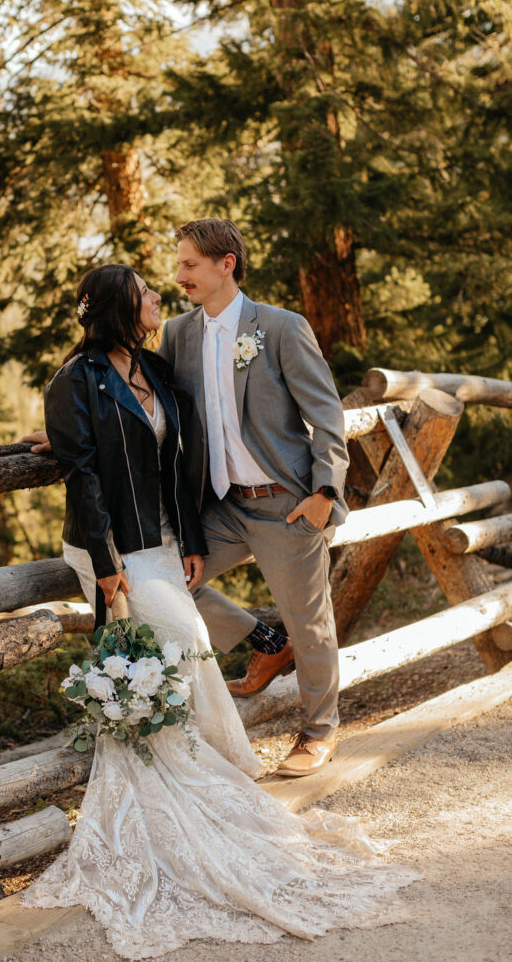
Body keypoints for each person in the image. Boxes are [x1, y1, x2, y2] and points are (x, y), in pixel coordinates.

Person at [20, 263, 415, 960]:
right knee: (184, 648)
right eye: (146, 292)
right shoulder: (74, 379)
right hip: (115, 548)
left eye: (166, 281)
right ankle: (188, 780)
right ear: (120, 306)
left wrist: (195, 540)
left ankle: (219, 761)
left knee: (189, 652)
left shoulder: (152, 365)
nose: (159, 297)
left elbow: (177, 456)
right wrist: (106, 563)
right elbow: (84, 473)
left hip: (169, 541)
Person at [160, 218, 349, 776]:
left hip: (285, 504)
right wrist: (71, 432)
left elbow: (327, 414)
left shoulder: (282, 327)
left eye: (190, 264)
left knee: (310, 621)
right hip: (219, 506)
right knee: (167, 583)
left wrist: (324, 492)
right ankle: (265, 641)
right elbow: (144, 398)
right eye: (178, 264)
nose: (180, 275)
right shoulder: (177, 334)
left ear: (227, 264)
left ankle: (318, 732)